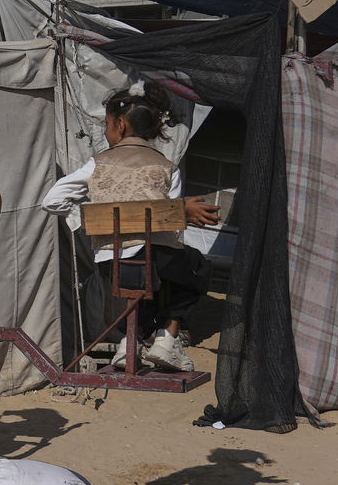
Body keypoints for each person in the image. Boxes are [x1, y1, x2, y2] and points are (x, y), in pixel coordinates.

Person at [40, 82, 219, 371]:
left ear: (120, 125)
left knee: (147, 280)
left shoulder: (96, 164)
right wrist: (180, 213)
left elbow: (52, 201)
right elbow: (169, 224)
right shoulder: (167, 167)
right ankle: (167, 337)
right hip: (154, 259)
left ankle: (130, 344)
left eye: (107, 125)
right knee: (196, 268)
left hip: (109, 262)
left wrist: (87, 220)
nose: (106, 131)